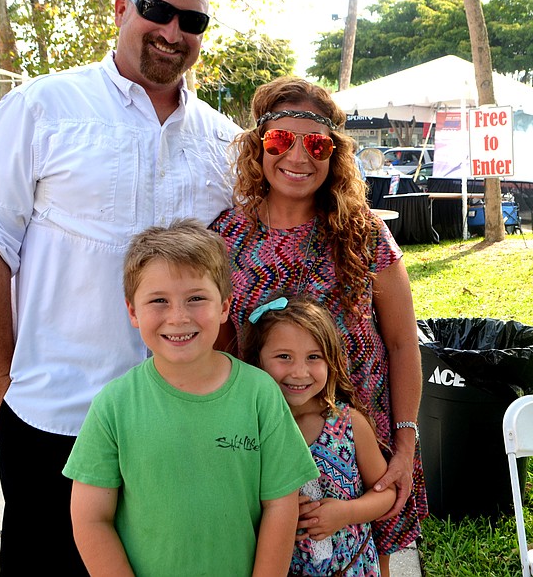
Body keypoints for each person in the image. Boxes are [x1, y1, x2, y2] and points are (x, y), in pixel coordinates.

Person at [0, 0, 241, 574]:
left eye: (192, 21)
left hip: (185, 424)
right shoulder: (43, 106)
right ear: (121, 10)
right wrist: (4, 390)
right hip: (58, 417)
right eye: (156, 10)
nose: (172, 31)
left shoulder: (224, 142)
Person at [210, 77, 427, 575]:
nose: (298, 156)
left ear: (334, 154)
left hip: (364, 435)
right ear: (257, 147)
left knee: (368, 553)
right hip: (268, 439)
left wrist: (405, 443)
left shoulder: (364, 232)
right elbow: (221, 354)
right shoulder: (226, 237)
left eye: (316, 145)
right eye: (280, 140)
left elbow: (402, 343)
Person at [63, 220, 318, 576]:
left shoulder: (260, 395)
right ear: (133, 311)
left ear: (224, 306)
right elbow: (91, 519)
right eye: (159, 301)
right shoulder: (114, 405)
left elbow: (281, 505)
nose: (178, 317)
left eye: (196, 298)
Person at [242, 294, 395, 576]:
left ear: (331, 360)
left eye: (313, 357)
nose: (300, 372)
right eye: (284, 357)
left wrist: (345, 513)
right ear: (257, 360)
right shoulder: (249, 430)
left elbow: (386, 492)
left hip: (351, 568)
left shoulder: (349, 425)